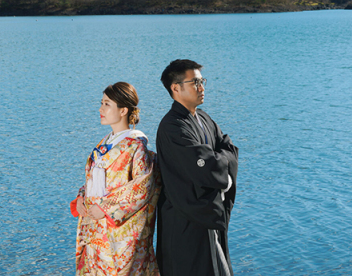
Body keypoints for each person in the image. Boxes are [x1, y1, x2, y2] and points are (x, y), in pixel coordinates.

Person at [155, 59, 239, 276]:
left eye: (202, 82)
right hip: (185, 217)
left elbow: (230, 148)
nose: (202, 88)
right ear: (175, 88)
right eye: (195, 83)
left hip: (206, 212)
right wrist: (224, 172)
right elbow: (205, 165)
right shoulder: (172, 126)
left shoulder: (203, 118)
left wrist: (218, 162)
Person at [70, 82, 161, 275]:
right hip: (95, 225)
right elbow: (91, 182)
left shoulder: (136, 147)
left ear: (123, 111)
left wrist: (105, 207)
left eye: (107, 104)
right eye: (101, 103)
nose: (100, 109)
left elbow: (142, 188)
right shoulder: (105, 143)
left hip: (118, 233)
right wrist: (81, 198)